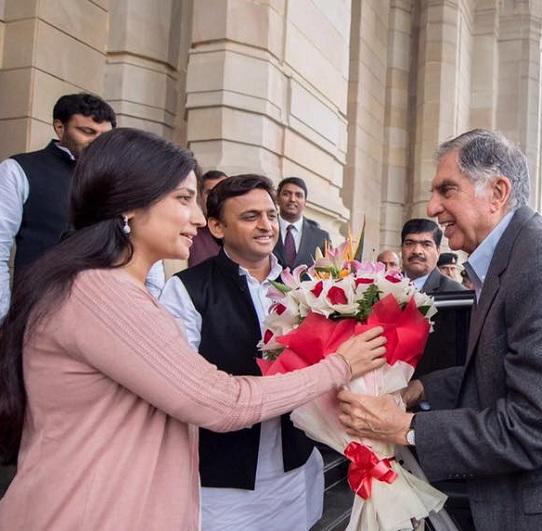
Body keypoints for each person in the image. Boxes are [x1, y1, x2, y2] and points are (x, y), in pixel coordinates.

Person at [0, 128, 386, 530]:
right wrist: (340, 365)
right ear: (130, 205)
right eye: (184, 199)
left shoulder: (100, 287)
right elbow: (222, 402)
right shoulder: (102, 295)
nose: (198, 219)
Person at [339, 129, 542, 530]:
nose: (432, 206)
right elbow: (510, 369)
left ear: (497, 192)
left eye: (446, 190)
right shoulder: (519, 254)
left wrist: (402, 426)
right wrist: (416, 391)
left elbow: (531, 425)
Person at [160, 175, 325, 529]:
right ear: (217, 226)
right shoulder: (186, 289)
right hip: (223, 478)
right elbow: (183, 388)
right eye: (251, 217)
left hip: (295, 467)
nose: (266, 225)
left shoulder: (308, 287)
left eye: (270, 214)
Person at [0, 93, 118, 322]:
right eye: (87, 131)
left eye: (105, 136)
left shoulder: (116, 179)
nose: (97, 142)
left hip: (102, 314)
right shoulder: (18, 169)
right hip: (37, 312)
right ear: (60, 127)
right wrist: (3, 317)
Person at [273, 177, 330, 268]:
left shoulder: (321, 237)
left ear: (305, 202)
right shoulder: (266, 228)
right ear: (277, 199)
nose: (292, 199)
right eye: (286, 194)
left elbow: (328, 271)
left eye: (298, 195)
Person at [400, 218, 462, 294]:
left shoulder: (456, 293)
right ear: (401, 248)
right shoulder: (385, 286)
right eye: (409, 243)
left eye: (426, 244)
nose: (417, 251)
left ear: (438, 251)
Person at [188, 169, 227, 267]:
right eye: (210, 193)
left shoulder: (241, 230)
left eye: (223, 192)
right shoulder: (189, 233)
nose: (216, 198)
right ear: (200, 197)